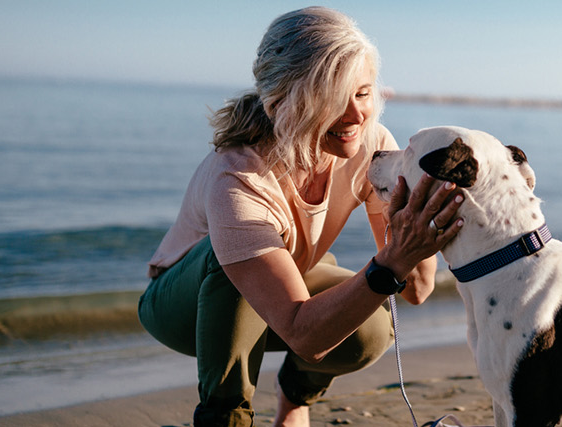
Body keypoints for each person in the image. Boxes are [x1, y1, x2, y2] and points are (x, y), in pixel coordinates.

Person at [138, 7, 464, 427]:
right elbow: (305, 335)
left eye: (363, 93)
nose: (355, 116)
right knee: (233, 259)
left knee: (372, 330)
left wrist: (417, 212)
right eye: (331, 98)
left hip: (284, 282)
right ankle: (225, 417)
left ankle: (294, 401)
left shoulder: (371, 145)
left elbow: (416, 291)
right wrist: (393, 261)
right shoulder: (238, 178)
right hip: (183, 310)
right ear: (279, 100)